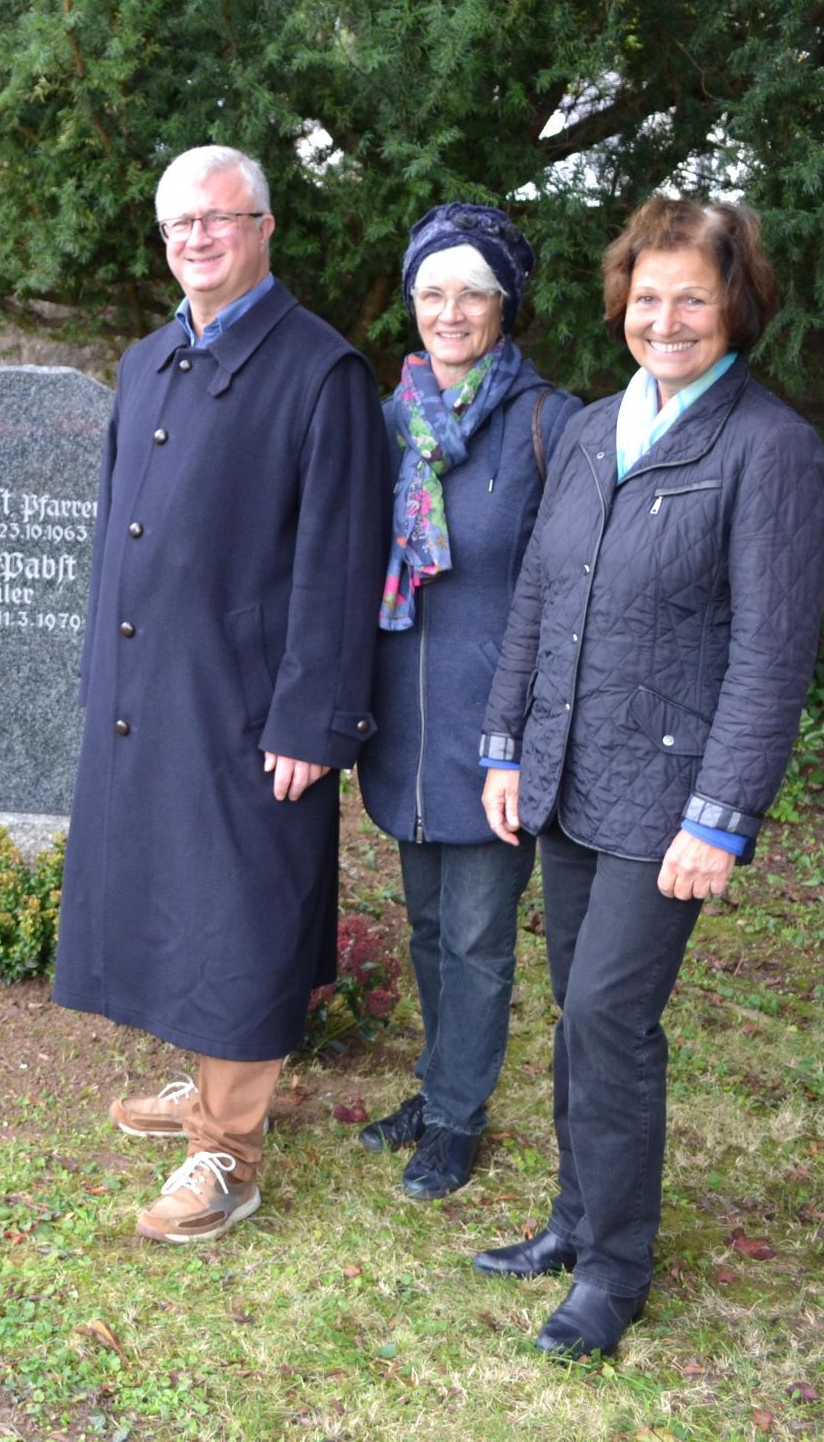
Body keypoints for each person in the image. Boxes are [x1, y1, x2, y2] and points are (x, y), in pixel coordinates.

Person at [474, 197, 824, 1356]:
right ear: (620, 301)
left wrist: (721, 820)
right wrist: (505, 742)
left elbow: (772, 652)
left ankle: (616, 1266)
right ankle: (574, 1218)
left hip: (669, 797)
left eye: (693, 295)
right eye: (647, 295)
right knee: (579, 1013)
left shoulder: (769, 448)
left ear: (735, 305)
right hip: (570, 774)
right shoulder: (586, 430)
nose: (666, 318)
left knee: (613, 1019)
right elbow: (534, 593)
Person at [51, 145, 391, 1244]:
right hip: (154, 682)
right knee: (177, 890)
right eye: (177, 225)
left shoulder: (321, 371)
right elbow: (119, 535)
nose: (195, 238)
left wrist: (313, 713)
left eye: (218, 218)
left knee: (240, 906)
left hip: (250, 698)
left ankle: (229, 1153)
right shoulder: (147, 360)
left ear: (264, 227)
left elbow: (343, 561)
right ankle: (209, 1092)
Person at [353, 204, 581, 1202]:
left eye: (472, 292)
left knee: (480, 935)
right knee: (426, 924)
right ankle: (436, 1081)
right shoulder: (385, 416)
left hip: (496, 727)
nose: (449, 311)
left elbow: (567, 589)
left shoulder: (547, 422)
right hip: (400, 720)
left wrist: (528, 729)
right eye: (431, 292)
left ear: (505, 304)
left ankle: (454, 1118)